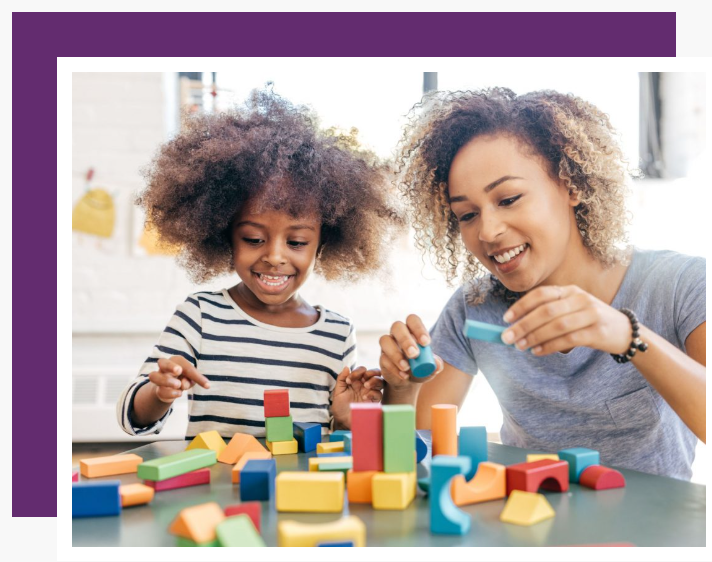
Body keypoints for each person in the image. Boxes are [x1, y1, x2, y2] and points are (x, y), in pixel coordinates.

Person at [379, 88, 705, 479]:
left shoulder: (680, 285)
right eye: (466, 215)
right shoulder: (475, 308)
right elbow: (415, 449)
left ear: (572, 186)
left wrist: (628, 336)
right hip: (531, 530)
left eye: (509, 198)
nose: (488, 231)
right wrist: (399, 388)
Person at [117, 89, 403, 440]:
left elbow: (330, 441)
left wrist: (345, 420)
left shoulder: (336, 334)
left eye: (296, 242)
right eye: (254, 239)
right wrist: (160, 393)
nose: (275, 256)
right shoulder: (201, 316)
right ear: (225, 235)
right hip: (219, 492)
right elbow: (133, 416)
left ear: (323, 244)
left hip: (300, 493)